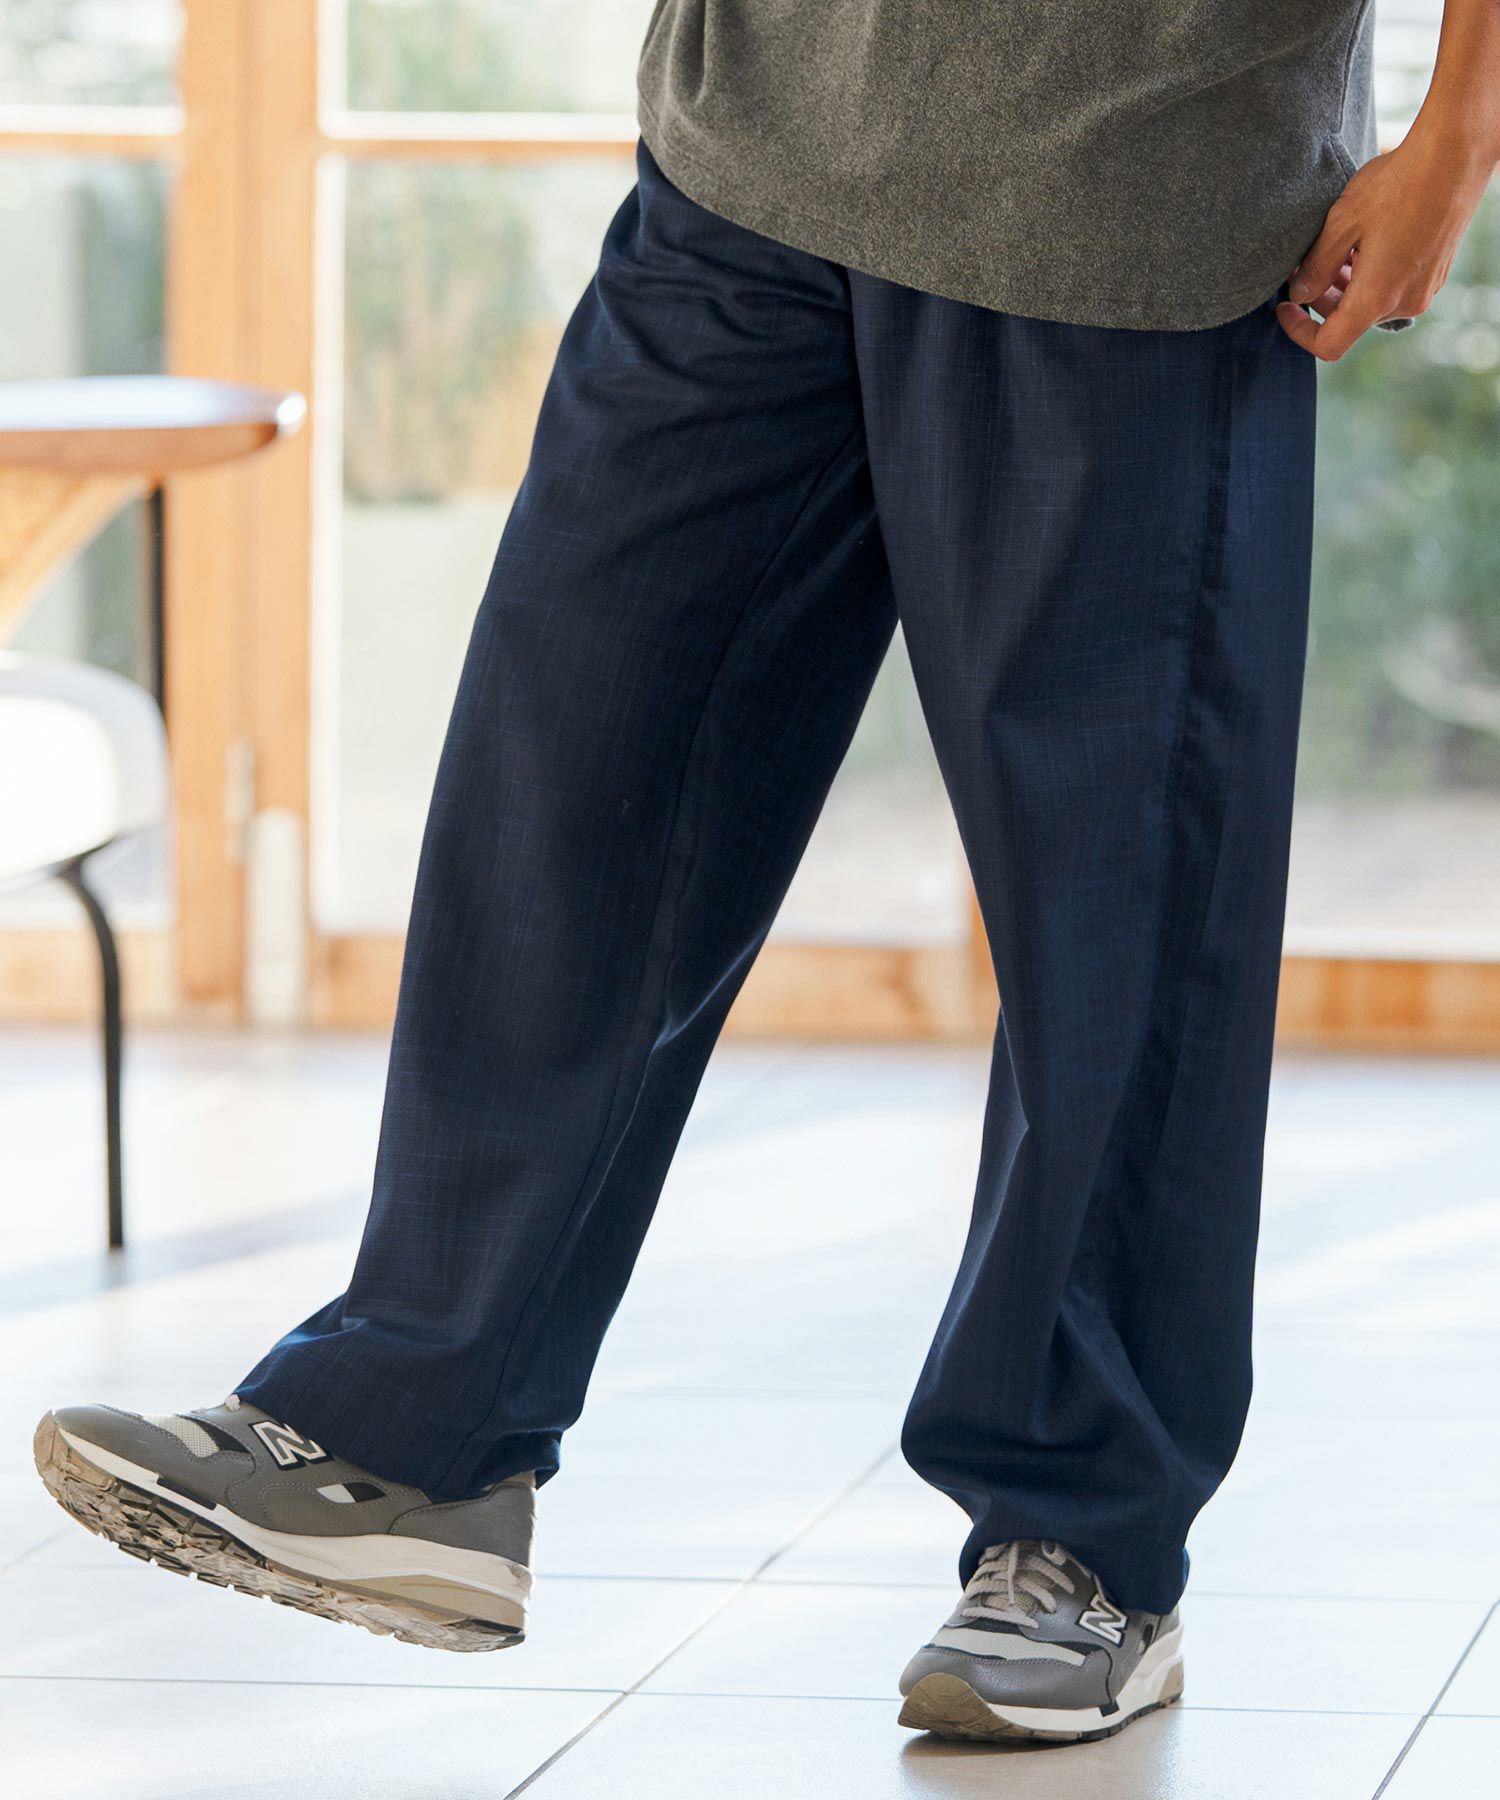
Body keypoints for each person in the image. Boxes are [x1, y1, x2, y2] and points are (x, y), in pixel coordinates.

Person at [34, 0, 1499, 1747]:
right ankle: (414, 1436)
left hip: (1143, 185)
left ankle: (1084, 1545)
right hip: (751, 147)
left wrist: (1462, 129)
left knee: (1120, 901)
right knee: (570, 781)